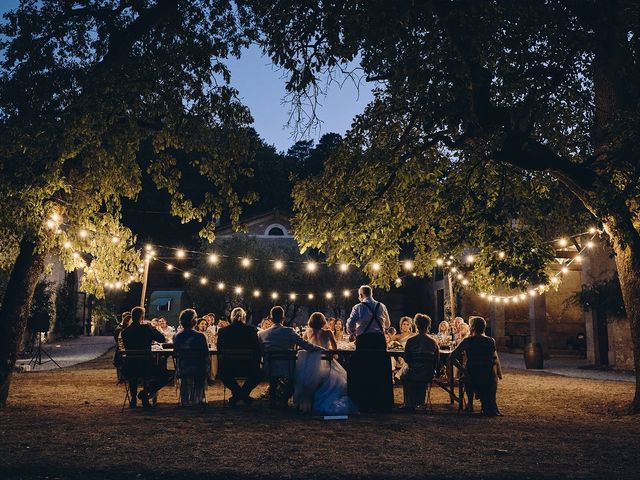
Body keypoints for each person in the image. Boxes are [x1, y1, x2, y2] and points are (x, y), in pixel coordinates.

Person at [258, 306, 321, 408]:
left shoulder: (261, 334)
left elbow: (260, 351)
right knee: (295, 379)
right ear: (283, 318)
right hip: (287, 367)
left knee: (274, 379)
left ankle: (273, 401)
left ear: (271, 319)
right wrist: (321, 349)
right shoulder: (289, 331)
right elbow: (306, 345)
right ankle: (283, 400)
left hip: (270, 367)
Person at [294, 312, 356, 415]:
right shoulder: (328, 333)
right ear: (323, 322)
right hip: (325, 364)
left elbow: (303, 347)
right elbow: (335, 349)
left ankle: (308, 404)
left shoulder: (307, 332)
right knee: (340, 379)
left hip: (309, 366)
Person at [345, 285, 393, 413]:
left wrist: (354, 333)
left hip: (364, 340)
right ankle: (380, 403)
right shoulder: (381, 306)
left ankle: (364, 402)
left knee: (364, 370)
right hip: (378, 340)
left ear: (361, 295)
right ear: (371, 294)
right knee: (379, 371)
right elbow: (388, 324)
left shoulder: (358, 307)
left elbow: (349, 325)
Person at [449, 316, 502, 416]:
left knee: (468, 375)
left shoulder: (468, 341)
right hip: (488, 375)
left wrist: (463, 370)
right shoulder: (491, 341)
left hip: (473, 374)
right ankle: (489, 404)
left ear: (472, 327)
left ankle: (470, 404)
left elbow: (451, 358)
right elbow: (494, 358)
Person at [121, 307, 170, 408]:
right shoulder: (146, 328)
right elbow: (162, 338)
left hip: (129, 367)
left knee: (134, 370)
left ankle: (133, 399)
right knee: (166, 375)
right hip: (146, 366)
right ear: (142, 317)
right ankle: (145, 393)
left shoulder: (125, 332)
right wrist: (151, 327)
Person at [217, 307, 263, 406]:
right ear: (244, 318)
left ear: (231, 317)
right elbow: (257, 350)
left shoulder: (223, 331)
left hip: (229, 368)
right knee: (259, 374)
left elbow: (219, 350)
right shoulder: (251, 330)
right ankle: (244, 395)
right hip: (248, 367)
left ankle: (238, 394)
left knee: (223, 374)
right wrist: (256, 364)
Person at [400, 314, 440, 411]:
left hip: (413, 373)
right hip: (427, 374)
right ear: (428, 326)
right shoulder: (433, 342)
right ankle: (419, 401)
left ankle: (409, 403)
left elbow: (406, 359)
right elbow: (437, 361)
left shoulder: (411, 341)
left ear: (416, 326)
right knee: (420, 373)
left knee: (403, 375)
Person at [172, 309, 209, 406]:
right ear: (193, 321)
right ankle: (199, 397)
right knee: (203, 365)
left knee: (187, 372)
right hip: (198, 368)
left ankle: (185, 399)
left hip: (183, 368)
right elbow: (205, 353)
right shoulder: (201, 336)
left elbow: (176, 352)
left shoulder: (177, 336)